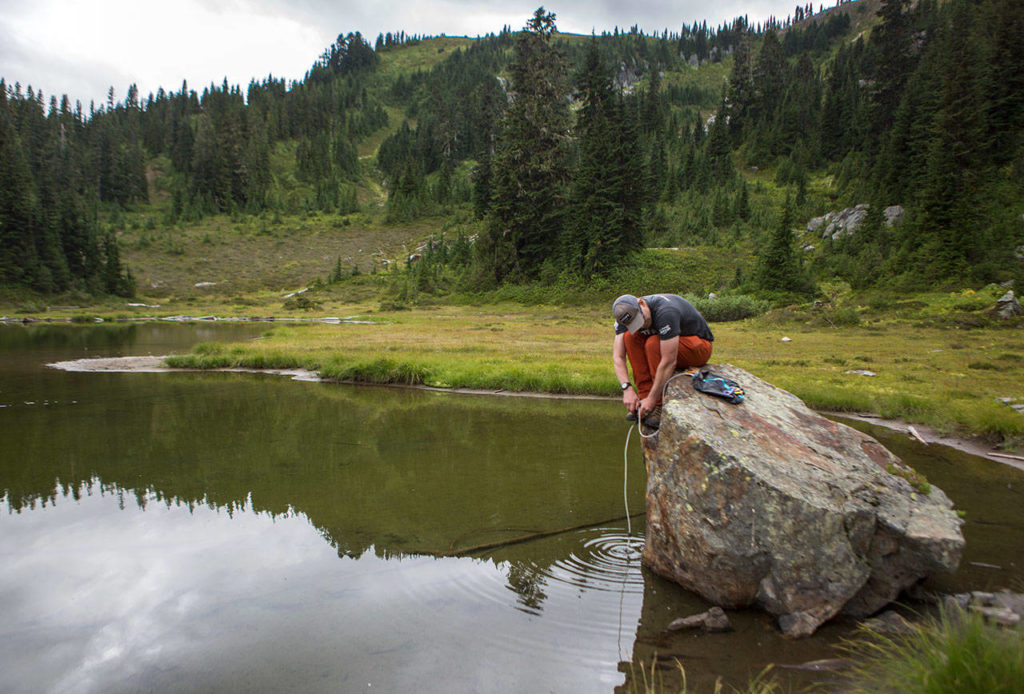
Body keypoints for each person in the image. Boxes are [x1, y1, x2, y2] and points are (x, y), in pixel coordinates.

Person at [612, 293, 714, 429]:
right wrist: (627, 389)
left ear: (641, 303)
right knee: (630, 338)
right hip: (667, 344)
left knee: (653, 344)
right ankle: (643, 400)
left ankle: (658, 405)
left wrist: (654, 399)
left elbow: (668, 361)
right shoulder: (624, 317)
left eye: (640, 320)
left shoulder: (666, 311)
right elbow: (618, 357)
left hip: (698, 347)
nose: (641, 325)